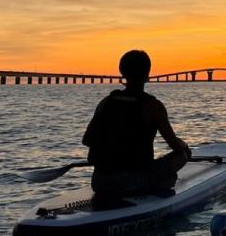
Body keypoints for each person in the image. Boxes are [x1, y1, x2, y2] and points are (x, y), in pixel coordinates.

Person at [82, 50, 191, 199]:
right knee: (183, 154)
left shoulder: (106, 102)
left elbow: (88, 141)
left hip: (100, 182)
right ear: (147, 74)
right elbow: (175, 145)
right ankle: (157, 183)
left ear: (122, 72)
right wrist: (185, 146)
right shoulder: (153, 106)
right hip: (133, 182)